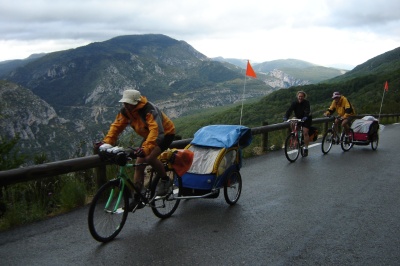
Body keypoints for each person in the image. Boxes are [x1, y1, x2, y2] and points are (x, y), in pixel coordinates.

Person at [100, 89, 176, 210]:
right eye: (124, 102)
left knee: (149, 158)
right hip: (148, 136)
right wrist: (106, 143)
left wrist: (145, 149)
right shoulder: (126, 112)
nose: (125, 105)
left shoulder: (149, 110)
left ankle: (165, 180)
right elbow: (116, 127)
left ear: (136, 102)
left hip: (165, 134)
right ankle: (137, 197)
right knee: (139, 164)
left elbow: (156, 131)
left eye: (128, 103)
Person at [283, 91, 312, 156]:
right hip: (298, 117)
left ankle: (306, 148)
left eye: (302, 96)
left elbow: (307, 111)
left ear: (304, 97)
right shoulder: (294, 103)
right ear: (297, 97)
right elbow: (289, 110)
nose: (300, 98)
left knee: (305, 132)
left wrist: (305, 116)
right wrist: (286, 117)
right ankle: (295, 135)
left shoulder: (306, 103)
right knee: (293, 121)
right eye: (299, 96)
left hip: (306, 118)